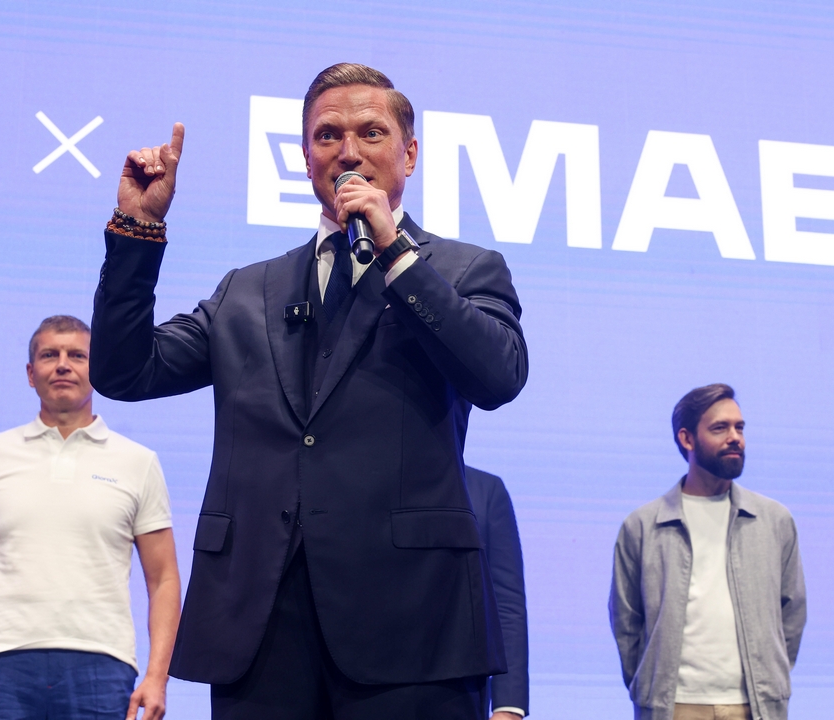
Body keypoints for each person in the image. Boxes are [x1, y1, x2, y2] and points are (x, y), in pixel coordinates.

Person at [90, 63, 528, 720]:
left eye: (371, 132)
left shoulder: (464, 270)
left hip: (412, 624)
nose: (348, 151)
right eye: (327, 135)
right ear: (305, 159)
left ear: (409, 154)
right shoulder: (248, 290)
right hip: (260, 623)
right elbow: (125, 371)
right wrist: (138, 231)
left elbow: (499, 376)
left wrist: (397, 254)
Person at [0, 315, 181, 720]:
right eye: (50, 355)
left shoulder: (138, 462)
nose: (63, 365)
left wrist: (158, 677)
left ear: (99, 369)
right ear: (30, 373)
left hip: (101, 663)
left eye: (78, 356)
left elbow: (163, 579)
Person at [609, 384, 806, 720]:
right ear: (687, 439)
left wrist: (770, 678)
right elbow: (626, 621)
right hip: (674, 707)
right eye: (720, 428)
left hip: (755, 706)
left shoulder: (774, 520)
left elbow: (792, 612)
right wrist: (649, 686)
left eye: (739, 427)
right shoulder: (642, 526)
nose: (735, 438)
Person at [464, 467, 529, 719]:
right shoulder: (365, 480)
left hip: (461, 692)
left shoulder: (485, 490)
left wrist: (508, 706)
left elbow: (506, 604)